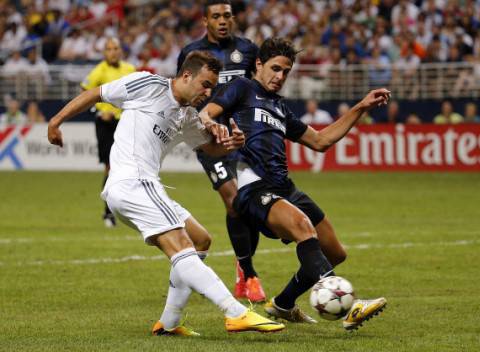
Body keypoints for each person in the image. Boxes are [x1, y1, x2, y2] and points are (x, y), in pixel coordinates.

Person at [47, 51, 284, 336]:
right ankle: (235, 312)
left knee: (200, 239)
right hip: (133, 182)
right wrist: (56, 121)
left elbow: (209, 147)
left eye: (212, 88)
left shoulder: (186, 115)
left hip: (143, 186)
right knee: (182, 245)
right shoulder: (148, 85)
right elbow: (97, 94)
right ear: (186, 76)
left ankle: (169, 322)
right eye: (205, 85)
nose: (208, 93)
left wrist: (231, 143)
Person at [199, 38, 388, 330]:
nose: (280, 76)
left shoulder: (280, 108)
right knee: (303, 227)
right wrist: (216, 128)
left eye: (286, 72)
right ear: (258, 65)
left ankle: (284, 304)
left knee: (335, 252)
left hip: (285, 188)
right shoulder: (242, 88)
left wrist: (361, 106)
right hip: (254, 189)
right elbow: (206, 113)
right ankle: (347, 305)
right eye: (275, 68)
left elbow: (321, 141)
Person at [177, 0, 265, 302]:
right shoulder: (192, 53)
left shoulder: (249, 50)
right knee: (232, 201)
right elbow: (182, 93)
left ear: (234, 18)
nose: (223, 21)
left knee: (249, 206)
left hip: (244, 138)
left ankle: (242, 267)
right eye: (216, 16)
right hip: (210, 140)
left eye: (227, 15)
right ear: (206, 20)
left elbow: (260, 91)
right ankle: (250, 274)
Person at [81, 37, 136, 228]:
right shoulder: (99, 71)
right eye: (109, 49)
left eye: (116, 48)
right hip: (105, 125)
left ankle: (125, 210)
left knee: (129, 167)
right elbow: (84, 94)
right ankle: (108, 213)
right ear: (104, 52)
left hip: (126, 123)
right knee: (111, 168)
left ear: (121, 51)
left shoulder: (129, 69)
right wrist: (98, 111)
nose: (113, 52)